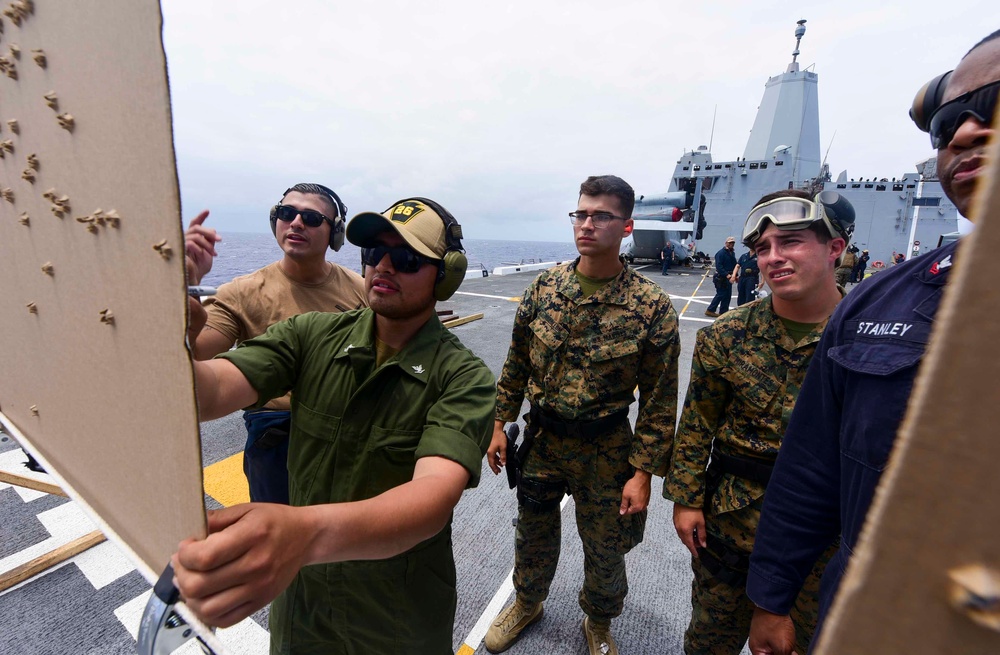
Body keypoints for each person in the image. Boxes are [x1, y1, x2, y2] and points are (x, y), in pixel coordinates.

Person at [747, 31, 1000, 655]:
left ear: (834, 249)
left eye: (994, 105)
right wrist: (771, 596)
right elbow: (811, 468)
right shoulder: (876, 304)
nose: (965, 135)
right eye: (945, 125)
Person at [176, 198, 496, 654]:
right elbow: (208, 392)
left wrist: (302, 534)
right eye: (373, 253)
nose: (383, 266)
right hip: (303, 601)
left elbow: (430, 500)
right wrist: (170, 334)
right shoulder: (310, 335)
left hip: (398, 611)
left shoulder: (465, 378)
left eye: (405, 258)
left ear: (445, 277)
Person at [483, 175, 680, 655]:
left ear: (627, 225)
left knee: (607, 547)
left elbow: (659, 400)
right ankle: (527, 602)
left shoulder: (651, 306)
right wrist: (496, 424)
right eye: (581, 214)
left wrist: (643, 473)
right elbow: (515, 363)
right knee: (532, 532)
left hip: (607, 447)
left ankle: (599, 620)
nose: (587, 224)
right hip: (543, 440)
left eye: (601, 216)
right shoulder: (544, 289)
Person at [665, 189, 853, 655]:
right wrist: (686, 501)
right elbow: (695, 426)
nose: (773, 258)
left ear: (835, 248)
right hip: (730, 524)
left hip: (825, 536)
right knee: (709, 641)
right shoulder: (725, 337)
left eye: (790, 242)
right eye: (763, 248)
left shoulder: (867, 338)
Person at [186, 183, 366, 504]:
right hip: (275, 437)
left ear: (335, 234)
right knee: (277, 539)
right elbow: (195, 352)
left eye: (311, 218)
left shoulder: (361, 291)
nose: (296, 222)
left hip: (345, 430)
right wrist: (183, 282)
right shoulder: (242, 292)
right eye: (287, 213)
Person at [706, 236, 738, 317]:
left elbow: (734, 265)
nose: (732, 244)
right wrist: (727, 275)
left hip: (729, 276)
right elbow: (719, 266)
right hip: (721, 277)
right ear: (726, 243)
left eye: (733, 243)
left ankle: (723, 311)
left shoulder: (732, 253)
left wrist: (736, 275)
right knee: (721, 294)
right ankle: (710, 310)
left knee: (727, 295)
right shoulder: (721, 253)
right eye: (730, 243)